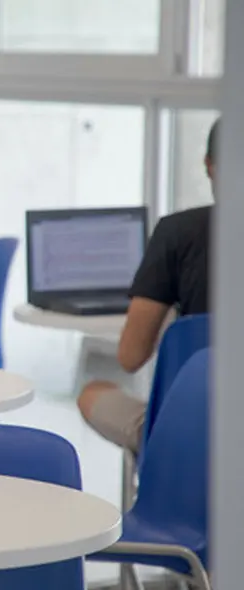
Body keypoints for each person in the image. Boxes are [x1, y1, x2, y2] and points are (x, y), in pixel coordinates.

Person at [77, 119, 217, 453]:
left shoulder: (177, 233)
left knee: (93, 391)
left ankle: (154, 482)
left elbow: (130, 356)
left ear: (209, 165)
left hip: (187, 437)